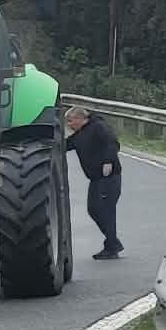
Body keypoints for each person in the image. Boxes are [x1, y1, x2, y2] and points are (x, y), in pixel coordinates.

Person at [64, 106, 124, 260]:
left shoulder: (98, 126)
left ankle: (112, 246)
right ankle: (113, 243)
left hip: (109, 177)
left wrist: (109, 161)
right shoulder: (79, 135)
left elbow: (112, 142)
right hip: (96, 179)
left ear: (79, 118)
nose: (68, 125)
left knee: (105, 210)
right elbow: (64, 146)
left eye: (70, 121)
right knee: (94, 210)